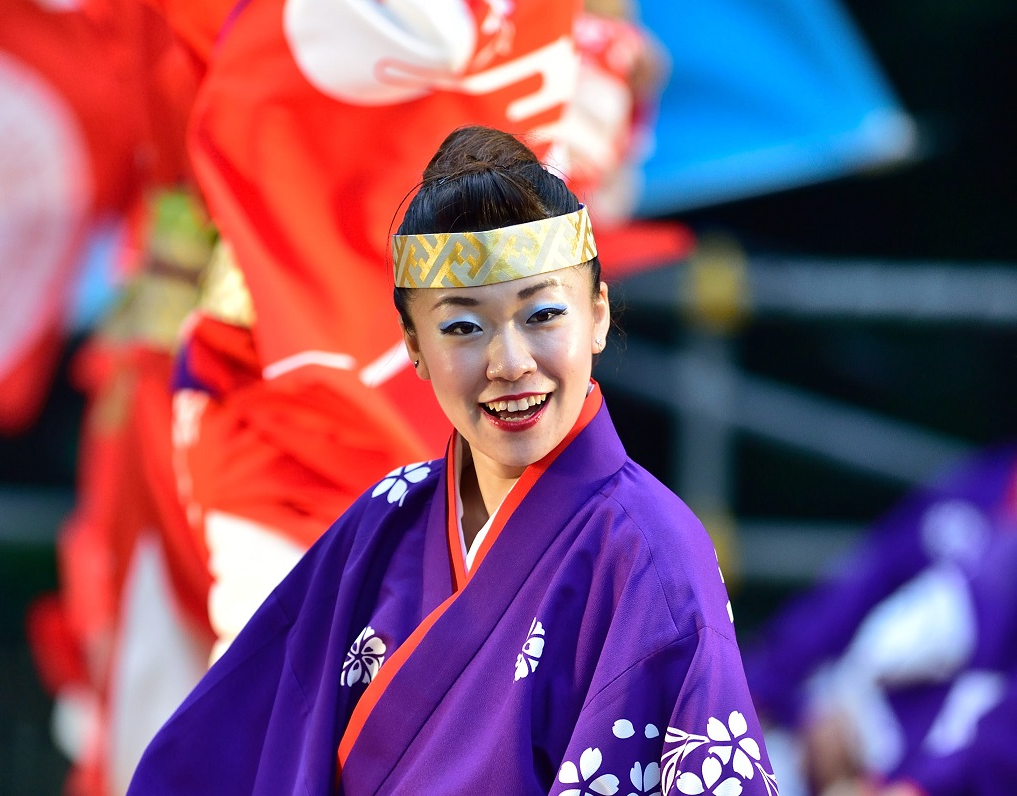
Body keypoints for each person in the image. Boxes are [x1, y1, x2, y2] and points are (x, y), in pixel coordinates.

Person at [129, 125, 771, 794]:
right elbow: (231, 744)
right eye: (462, 327)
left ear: (599, 317)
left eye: (543, 315)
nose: (509, 363)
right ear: (412, 344)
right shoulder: (384, 521)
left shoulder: (649, 551)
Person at [744, 445, 1017, 796]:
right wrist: (775, 695)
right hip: (847, 732)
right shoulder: (977, 489)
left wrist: (919, 787)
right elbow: (860, 585)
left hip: (940, 773)